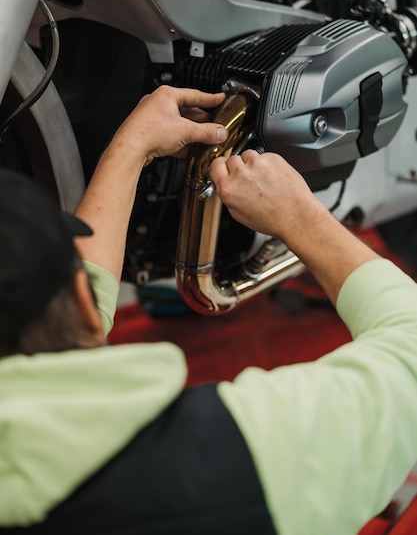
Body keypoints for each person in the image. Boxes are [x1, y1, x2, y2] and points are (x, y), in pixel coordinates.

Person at [1, 85, 417, 535]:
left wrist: (133, 146)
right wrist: (299, 217)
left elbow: (65, 322)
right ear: (82, 302)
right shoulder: (220, 463)